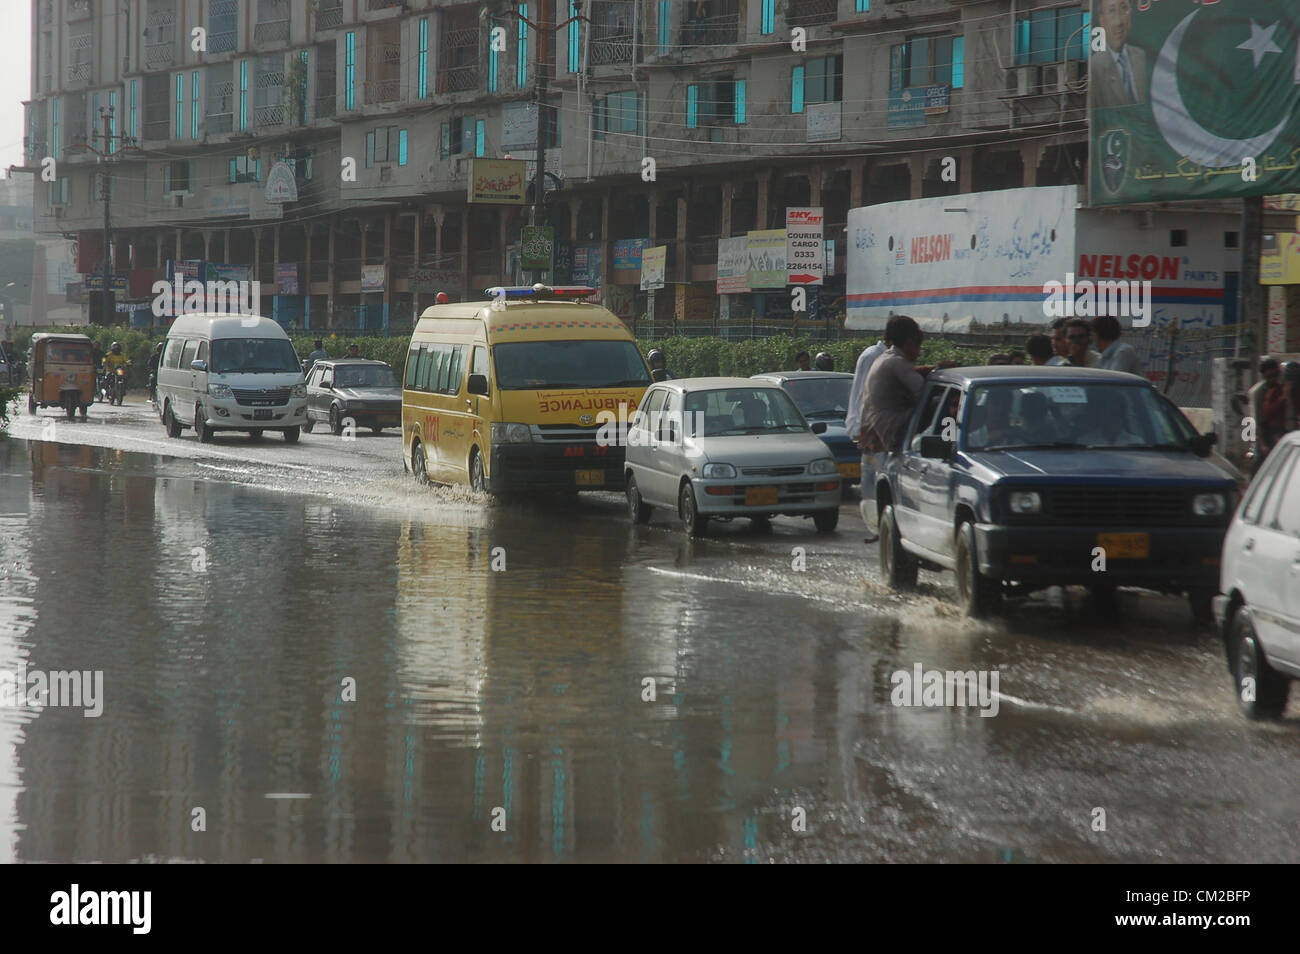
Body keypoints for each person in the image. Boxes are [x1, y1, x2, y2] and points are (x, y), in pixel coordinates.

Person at [1090, 0, 1149, 109]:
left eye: (1124, 9)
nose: (1119, 22)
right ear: (1102, 20)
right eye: (1112, 11)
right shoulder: (1095, 67)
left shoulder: (1142, 57)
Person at [845, 330, 891, 443]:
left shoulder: (881, 355)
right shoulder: (873, 356)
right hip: (867, 433)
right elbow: (864, 394)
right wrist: (864, 430)